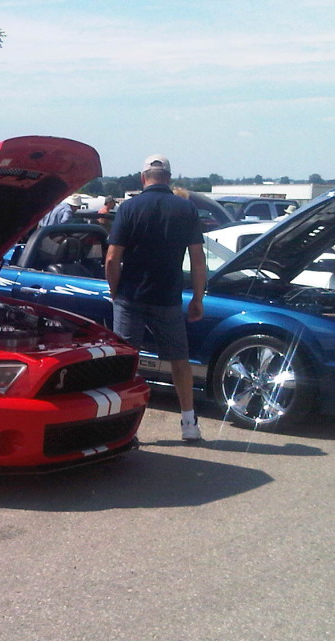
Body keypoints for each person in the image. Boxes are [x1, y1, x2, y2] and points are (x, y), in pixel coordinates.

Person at [106, 154, 207, 441]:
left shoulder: (129, 207)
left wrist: (115, 290)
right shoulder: (186, 208)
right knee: (179, 361)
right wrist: (198, 298)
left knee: (126, 363)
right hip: (168, 297)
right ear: (169, 179)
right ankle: (189, 423)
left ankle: (123, 427)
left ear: (143, 178)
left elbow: (112, 258)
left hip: (131, 296)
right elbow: (197, 259)